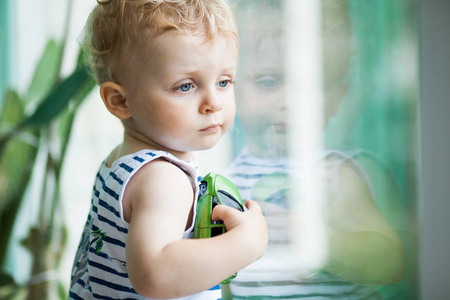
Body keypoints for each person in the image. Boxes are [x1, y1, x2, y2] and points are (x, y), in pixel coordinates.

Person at [68, 0, 268, 299]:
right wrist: (247, 244)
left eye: (224, 81)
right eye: (186, 86)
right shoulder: (163, 178)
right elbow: (154, 276)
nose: (214, 102)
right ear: (121, 101)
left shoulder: (120, 162)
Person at [222, 0, 407, 299]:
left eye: (309, 86)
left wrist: (322, 239)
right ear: (230, 86)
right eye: (268, 82)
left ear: (336, 97)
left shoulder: (339, 173)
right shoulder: (224, 180)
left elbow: (391, 263)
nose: (289, 102)